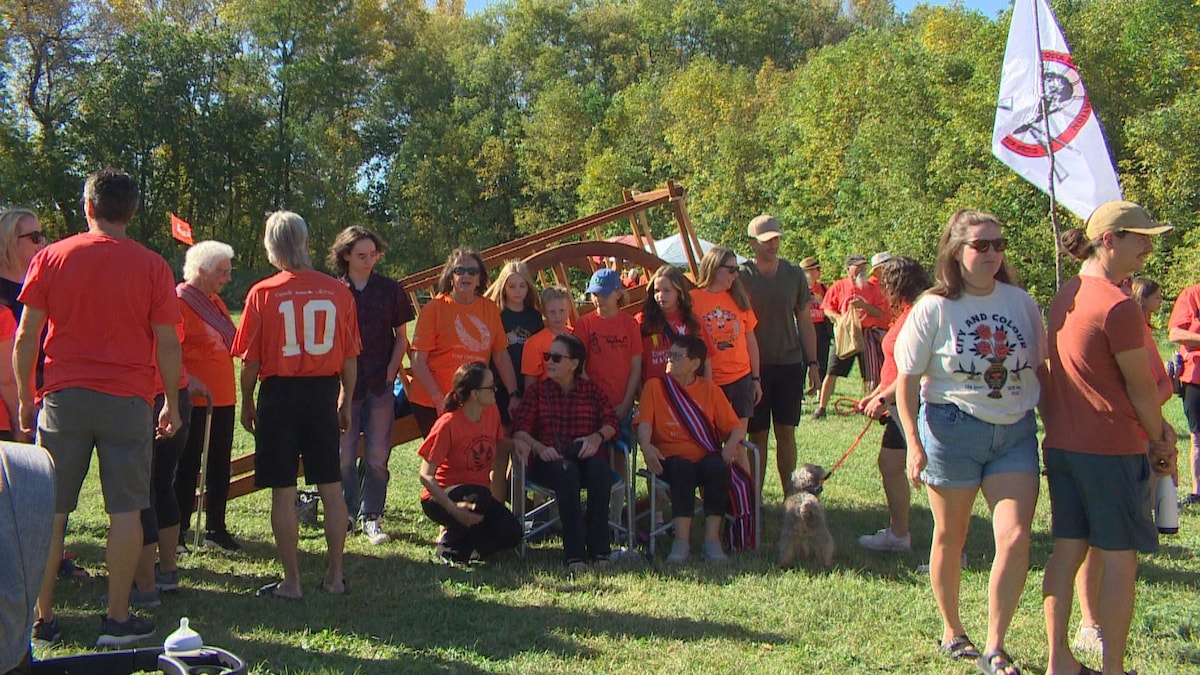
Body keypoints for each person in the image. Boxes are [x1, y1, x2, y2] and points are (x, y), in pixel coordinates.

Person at [16, 168, 183, 647]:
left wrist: (28, 397)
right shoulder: (152, 265)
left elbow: (28, 335)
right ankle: (116, 618)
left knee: (51, 511)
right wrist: (170, 399)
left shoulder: (51, 257)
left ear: (87, 207)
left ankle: (42, 621)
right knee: (126, 510)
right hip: (128, 399)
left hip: (64, 396)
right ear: (131, 211)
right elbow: (168, 343)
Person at [895, 210, 1045, 675]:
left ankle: (996, 645)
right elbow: (906, 384)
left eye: (999, 244)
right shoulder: (934, 307)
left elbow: (1042, 370)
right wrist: (914, 444)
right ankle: (953, 630)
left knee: (1016, 536)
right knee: (950, 537)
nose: (993, 253)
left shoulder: (1022, 303)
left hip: (1015, 431)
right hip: (951, 428)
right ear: (955, 251)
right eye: (981, 245)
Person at [1041, 201, 1177, 675]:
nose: (1148, 245)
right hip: (1111, 448)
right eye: (1139, 236)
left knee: (1068, 549)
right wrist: (1160, 437)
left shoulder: (1068, 292)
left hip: (1062, 444)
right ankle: (1113, 669)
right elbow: (1141, 388)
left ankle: (1059, 659)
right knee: (1120, 560)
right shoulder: (1119, 307)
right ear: (1108, 239)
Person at [233, 211, 361, 600]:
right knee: (331, 487)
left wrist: (247, 401)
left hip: (280, 395)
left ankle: (291, 581)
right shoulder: (338, 292)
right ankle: (335, 575)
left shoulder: (263, 292)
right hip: (322, 392)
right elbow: (350, 357)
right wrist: (345, 400)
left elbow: (249, 360)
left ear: (272, 246)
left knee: (282, 491)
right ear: (306, 241)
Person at [1070, 273, 1172, 658]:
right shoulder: (1089, 312)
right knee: (1093, 540)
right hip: (1102, 441)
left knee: (1121, 541)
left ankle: (1109, 624)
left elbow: (1160, 382)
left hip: (1139, 439)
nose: (1125, 283)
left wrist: (1147, 412)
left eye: (1130, 280)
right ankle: (1088, 622)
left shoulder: (1137, 325)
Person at [327, 226, 414, 544]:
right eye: (361, 255)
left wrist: (392, 373)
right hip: (343, 386)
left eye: (373, 255)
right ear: (346, 255)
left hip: (380, 382)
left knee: (378, 455)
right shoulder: (334, 291)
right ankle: (346, 513)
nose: (368, 261)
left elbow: (402, 337)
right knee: (344, 454)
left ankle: (372, 516)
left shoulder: (391, 290)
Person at [511, 333, 619, 572]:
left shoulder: (591, 391)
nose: (549, 362)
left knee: (600, 469)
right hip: (549, 461)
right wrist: (539, 447)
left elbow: (612, 421)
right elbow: (519, 430)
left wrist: (596, 437)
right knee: (566, 472)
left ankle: (600, 549)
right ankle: (575, 554)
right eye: (548, 356)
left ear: (574, 363)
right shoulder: (538, 392)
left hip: (586, 457)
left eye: (556, 358)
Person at [637, 334, 743, 563]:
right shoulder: (655, 387)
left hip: (704, 457)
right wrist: (646, 445)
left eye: (676, 356)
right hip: (669, 459)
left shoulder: (709, 389)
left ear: (695, 364)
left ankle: (711, 541)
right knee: (682, 470)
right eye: (669, 354)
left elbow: (735, 428)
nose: (669, 359)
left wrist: (729, 450)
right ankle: (681, 543)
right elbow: (644, 424)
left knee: (717, 468)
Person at [739, 215, 821, 494]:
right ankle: (754, 498)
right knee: (757, 434)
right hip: (755, 366)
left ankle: (791, 495)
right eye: (766, 241)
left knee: (787, 432)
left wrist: (813, 362)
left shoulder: (794, 274)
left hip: (789, 362)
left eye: (776, 239)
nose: (772, 245)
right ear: (752, 243)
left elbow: (805, 319)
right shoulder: (741, 276)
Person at [856, 256, 931, 554]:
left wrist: (883, 397)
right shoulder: (904, 313)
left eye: (885, 280)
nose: (881, 287)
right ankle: (899, 534)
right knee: (889, 463)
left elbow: (915, 369)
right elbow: (894, 364)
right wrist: (876, 392)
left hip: (916, 405)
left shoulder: (919, 315)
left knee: (933, 473)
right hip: (895, 404)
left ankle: (955, 548)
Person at [174, 241, 243, 554]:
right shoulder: (179, 301)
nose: (227, 278)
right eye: (222, 271)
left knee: (219, 465)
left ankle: (216, 528)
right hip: (193, 399)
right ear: (201, 270)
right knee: (186, 467)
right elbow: (169, 348)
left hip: (223, 398)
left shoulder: (215, 302)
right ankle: (176, 531)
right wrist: (187, 379)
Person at [417, 362, 523, 564]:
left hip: (478, 496)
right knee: (479, 495)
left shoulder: (491, 412)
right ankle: (449, 546)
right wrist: (453, 508)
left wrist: (519, 444)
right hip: (441, 498)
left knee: (513, 532)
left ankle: (464, 547)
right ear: (474, 394)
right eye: (490, 387)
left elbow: (497, 442)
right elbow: (425, 475)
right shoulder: (448, 423)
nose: (495, 390)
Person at [408, 248, 520, 436]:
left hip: (473, 399)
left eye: (472, 271)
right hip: (434, 399)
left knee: (474, 455)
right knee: (444, 461)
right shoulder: (434, 309)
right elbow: (418, 361)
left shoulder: (489, 309)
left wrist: (513, 394)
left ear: (479, 278)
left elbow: (501, 355)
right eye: (459, 271)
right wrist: (437, 397)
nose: (465, 275)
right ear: (450, 277)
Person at [484, 260, 543, 499]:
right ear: (503, 287)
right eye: (512, 286)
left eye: (522, 286)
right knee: (500, 448)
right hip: (498, 388)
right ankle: (496, 504)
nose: (518, 291)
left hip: (527, 385)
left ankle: (520, 503)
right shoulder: (495, 315)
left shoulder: (534, 318)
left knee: (522, 449)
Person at [690, 247, 761, 436]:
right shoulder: (693, 300)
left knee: (737, 442)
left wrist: (756, 378)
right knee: (711, 440)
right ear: (714, 268)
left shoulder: (739, 298)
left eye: (736, 270)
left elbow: (751, 341)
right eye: (731, 270)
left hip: (741, 379)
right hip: (709, 379)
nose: (735, 275)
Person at [812, 254, 890, 419]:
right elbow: (826, 308)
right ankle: (821, 407)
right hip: (846, 334)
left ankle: (870, 407)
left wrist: (864, 306)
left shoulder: (872, 288)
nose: (862, 269)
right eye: (858, 266)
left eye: (864, 266)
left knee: (871, 373)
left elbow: (879, 312)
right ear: (848, 269)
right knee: (833, 370)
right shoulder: (839, 286)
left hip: (866, 333)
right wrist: (838, 319)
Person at [636, 265, 713, 384]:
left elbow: (706, 360)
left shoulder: (693, 322)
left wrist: (706, 390)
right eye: (657, 291)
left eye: (667, 290)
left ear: (679, 292)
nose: (660, 296)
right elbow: (635, 364)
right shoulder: (642, 321)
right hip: (656, 392)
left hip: (687, 393)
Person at [1166, 277, 1200, 509]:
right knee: (1198, 436)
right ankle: (1198, 491)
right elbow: (1175, 333)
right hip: (1195, 377)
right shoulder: (1192, 295)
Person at [521, 286, 573, 388]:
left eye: (562, 310)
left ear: (569, 310)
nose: (557, 316)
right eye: (552, 312)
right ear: (544, 313)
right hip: (548, 397)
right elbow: (530, 386)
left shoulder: (577, 335)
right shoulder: (534, 343)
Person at [800, 256, 831, 386]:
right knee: (802, 361)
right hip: (805, 326)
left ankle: (819, 389)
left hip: (821, 327)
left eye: (817, 269)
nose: (818, 272)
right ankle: (801, 391)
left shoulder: (823, 288)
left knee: (822, 360)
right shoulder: (801, 288)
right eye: (814, 270)